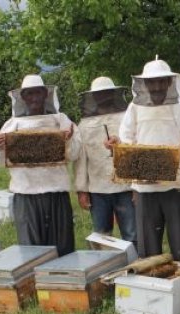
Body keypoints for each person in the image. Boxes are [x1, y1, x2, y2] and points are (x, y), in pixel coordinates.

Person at [105, 58, 180, 263]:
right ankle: (152, 289)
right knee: (148, 250)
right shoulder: (135, 107)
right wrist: (118, 145)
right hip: (145, 189)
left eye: (161, 81)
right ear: (144, 84)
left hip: (176, 186)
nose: (157, 87)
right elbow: (126, 138)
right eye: (152, 82)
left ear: (169, 82)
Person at [0, 74, 80, 256]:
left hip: (56, 193)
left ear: (45, 94)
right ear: (23, 97)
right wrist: (0, 148)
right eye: (29, 94)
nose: (34, 98)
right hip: (25, 194)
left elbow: (75, 153)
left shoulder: (61, 120)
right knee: (31, 249)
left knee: (62, 246)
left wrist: (68, 141)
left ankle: (59, 282)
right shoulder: (12, 124)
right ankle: (32, 283)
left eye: (38, 93)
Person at [75, 77, 136, 245]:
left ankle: (134, 268)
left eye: (106, 93)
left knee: (132, 234)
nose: (103, 97)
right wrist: (82, 190)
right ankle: (104, 269)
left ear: (113, 94)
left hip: (126, 187)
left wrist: (137, 185)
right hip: (98, 190)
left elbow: (135, 148)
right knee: (101, 237)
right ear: (93, 97)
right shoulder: (84, 125)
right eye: (99, 94)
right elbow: (81, 160)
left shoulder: (127, 118)